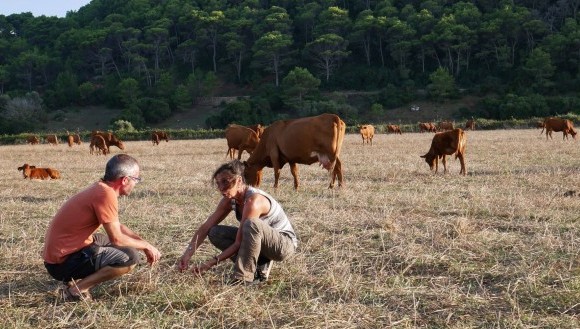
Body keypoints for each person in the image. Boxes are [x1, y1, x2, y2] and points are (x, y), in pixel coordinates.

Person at [43, 154, 161, 301]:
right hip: (61, 264)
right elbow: (117, 239)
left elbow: (117, 226)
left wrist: (145, 245)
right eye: (136, 179)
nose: (136, 184)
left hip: (57, 257)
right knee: (130, 258)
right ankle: (76, 290)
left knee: (111, 242)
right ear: (125, 180)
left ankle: (77, 281)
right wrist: (144, 245)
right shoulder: (106, 194)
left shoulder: (101, 188)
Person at [178, 160, 298, 285]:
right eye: (218, 183)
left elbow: (238, 242)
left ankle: (244, 278)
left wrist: (210, 263)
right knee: (215, 232)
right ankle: (259, 266)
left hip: (283, 246)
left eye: (225, 181)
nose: (221, 188)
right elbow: (206, 226)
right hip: (263, 242)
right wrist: (187, 254)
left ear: (239, 181)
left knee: (251, 224)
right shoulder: (230, 199)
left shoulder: (253, 201)